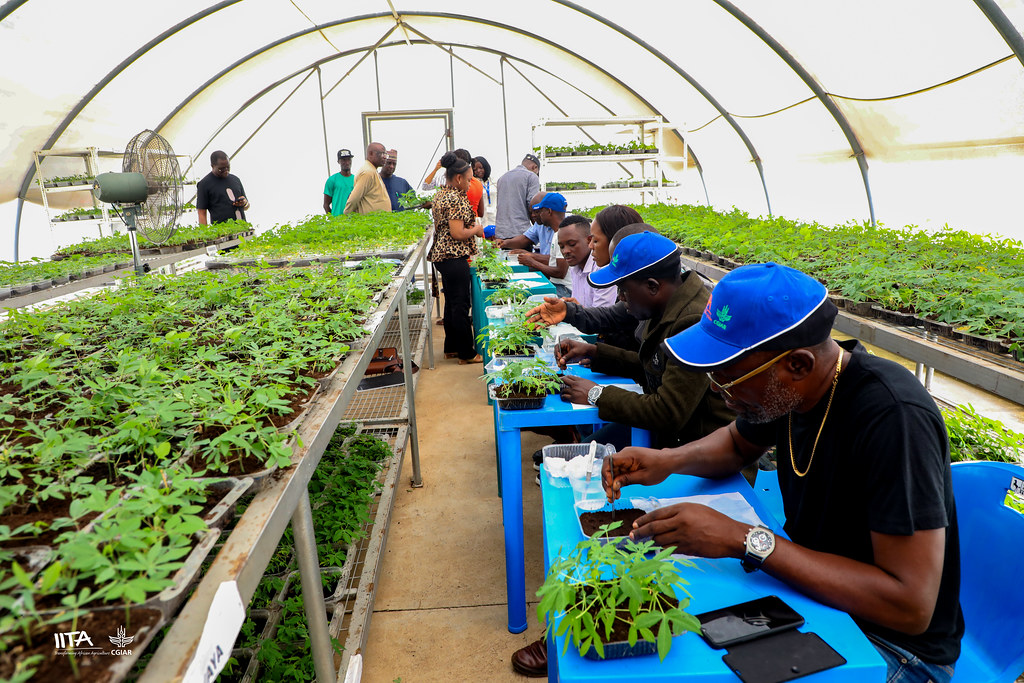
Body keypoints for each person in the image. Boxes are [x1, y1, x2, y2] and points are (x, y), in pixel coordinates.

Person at [604, 262, 964, 683]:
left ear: (797, 364)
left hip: (891, 647)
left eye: (727, 378)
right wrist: (666, 461)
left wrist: (744, 540)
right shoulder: (793, 391)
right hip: (816, 598)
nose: (721, 393)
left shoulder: (893, 418)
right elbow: (737, 443)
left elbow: (910, 605)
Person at [510, 230, 733, 678]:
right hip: (681, 450)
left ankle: (594, 629)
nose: (620, 298)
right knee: (612, 520)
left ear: (651, 286)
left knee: (639, 540)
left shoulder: (690, 318)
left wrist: (596, 395)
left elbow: (668, 410)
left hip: (703, 457)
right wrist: (598, 352)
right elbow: (655, 367)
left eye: (624, 289)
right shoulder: (667, 304)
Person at [526, 204, 646, 352]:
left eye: (595, 241)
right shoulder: (630, 290)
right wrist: (570, 311)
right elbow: (609, 316)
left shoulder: (641, 297)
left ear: (616, 243)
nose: (590, 246)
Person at [428, 151, 485, 364]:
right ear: (459, 178)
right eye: (469, 180)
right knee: (461, 304)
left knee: (452, 302)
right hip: (453, 255)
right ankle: (466, 353)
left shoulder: (442, 194)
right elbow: (458, 233)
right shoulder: (455, 198)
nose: (470, 184)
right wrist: (477, 230)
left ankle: (451, 348)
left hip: (442, 255)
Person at [497, 192, 571, 298]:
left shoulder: (563, 234)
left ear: (549, 211)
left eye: (539, 211)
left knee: (520, 297)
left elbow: (560, 272)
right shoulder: (557, 233)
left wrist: (532, 261)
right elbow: (525, 239)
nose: (535, 215)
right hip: (556, 283)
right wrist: (505, 242)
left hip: (563, 289)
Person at [556, 215, 618, 309]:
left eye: (572, 244)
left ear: (589, 240)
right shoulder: (574, 267)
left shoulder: (602, 270)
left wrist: (576, 310)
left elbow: (602, 318)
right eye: (561, 247)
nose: (565, 251)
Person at [494, 153, 540, 240]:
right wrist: (540, 229)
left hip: (501, 234)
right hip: (520, 234)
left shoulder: (502, 178)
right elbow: (533, 206)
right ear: (535, 167)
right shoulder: (531, 176)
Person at [197, 150, 248, 225]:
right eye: (221, 169)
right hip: (222, 232)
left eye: (228, 167)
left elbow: (247, 206)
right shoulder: (204, 184)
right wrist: (205, 234)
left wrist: (244, 203)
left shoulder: (235, 179)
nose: (226, 170)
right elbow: (201, 212)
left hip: (242, 229)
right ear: (212, 166)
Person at [344, 142, 391, 214]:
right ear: (371, 154)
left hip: (379, 221)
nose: (384, 157)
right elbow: (354, 199)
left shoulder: (372, 171)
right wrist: (346, 216)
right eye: (382, 154)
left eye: (385, 154)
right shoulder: (368, 172)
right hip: (371, 222)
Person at [323, 148, 354, 216]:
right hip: (337, 221)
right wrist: (332, 219)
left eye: (349, 159)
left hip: (353, 220)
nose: (347, 162)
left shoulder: (357, 179)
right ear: (338, 161)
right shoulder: (332, 180)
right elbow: (326, 204)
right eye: (343, 160)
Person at [473, 156, 496, 228]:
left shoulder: (494, 181)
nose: (478, 171)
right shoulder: (473, 183)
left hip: (495, 219)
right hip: (481, 221)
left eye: (481, 168)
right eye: (475, 169)